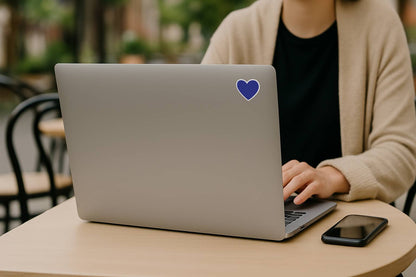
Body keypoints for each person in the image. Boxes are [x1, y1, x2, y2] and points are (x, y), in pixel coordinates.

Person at [202, 0, 416, 205]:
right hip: (250, 214)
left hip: (348, 224)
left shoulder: (380, 25)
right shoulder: (237, 30)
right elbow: (196, 136)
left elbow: (401, 152)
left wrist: (330, 177)